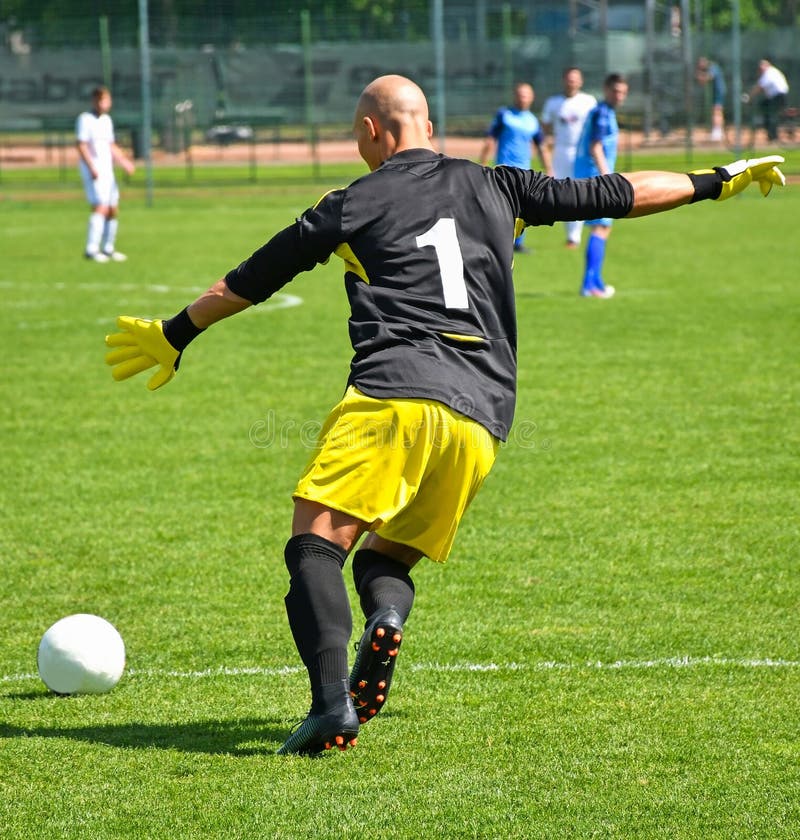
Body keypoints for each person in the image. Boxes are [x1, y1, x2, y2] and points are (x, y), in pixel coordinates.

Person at [104, 74, 784, 757]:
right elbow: (619, 191)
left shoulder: (350, 203)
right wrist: (716, 178)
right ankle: (388, 616)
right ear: (426, 125)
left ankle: (330, 706)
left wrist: (174, 334)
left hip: (392, 395)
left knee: (315, 545)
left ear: (372, 131)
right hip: (482, 418)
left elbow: (250, 279)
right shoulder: (500, 184)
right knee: (383, 559)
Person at [479, 82, 552, 253]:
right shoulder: (504, 115)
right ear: (515, 96)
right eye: (520, 94)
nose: (523, 98)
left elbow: (541, 146)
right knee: (502, 207)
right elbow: (490, 140)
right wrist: (482, 163)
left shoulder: (533, 121)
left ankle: (517, 243)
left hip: (524, 172)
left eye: (526, 95)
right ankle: (498, 241)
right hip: (504, 169)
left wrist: (549, 168)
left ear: (532, 98)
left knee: (521, 208)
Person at [574, 73, 629, 298]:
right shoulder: (603, 113)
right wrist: (608, 178)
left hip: (593, 175)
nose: (620, 96)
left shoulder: (604, 112)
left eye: (623, 92)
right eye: (616, 91)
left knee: (603, 228)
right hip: (597, 178)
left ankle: (595, 281)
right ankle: (590, 285)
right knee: (600, 227)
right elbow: (595, 147)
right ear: (606, 89)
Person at [76, 86, 135, 263]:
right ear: (95, 101)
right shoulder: (85, 119)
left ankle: (108, 248)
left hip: (107, 171)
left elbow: (110, 145)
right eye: (102, 100)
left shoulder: (106, 120)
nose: (105, 104)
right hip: (94, 171)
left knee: (112, 208)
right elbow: (81, 145)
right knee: (100, 207)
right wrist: (91, 167)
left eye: (107, 100)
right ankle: (91, 249)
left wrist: (124, 161)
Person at [541, 67, 597, 248]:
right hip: (561, 152)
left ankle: (575, 236)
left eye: (575, 79)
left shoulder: (588, 101)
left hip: (581, 152)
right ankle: (570, 233)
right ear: (563, 80)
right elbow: (546, 131)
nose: (571, 82)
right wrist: (547, 154)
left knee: (580, 190)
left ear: (580, 81)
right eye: (569, 78)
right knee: (562, 192)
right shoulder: (553, 103)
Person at [746, 58, 789, 143]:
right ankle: (771, 134)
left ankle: (773, 136)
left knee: (769, 114)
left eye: (762, 68)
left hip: (779, 96)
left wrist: (749, 97)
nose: (760, 70)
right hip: (778, 96)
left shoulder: (769, 73)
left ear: (767, 66)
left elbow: (759, 87)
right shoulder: (772, 72)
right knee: (767, 110)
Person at [695, 57, 727, 142]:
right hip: (717, 92)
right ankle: (719, 132)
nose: (701, 66)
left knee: (717, 111)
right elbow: (704, 81)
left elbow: (709, 77)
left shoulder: (713, 67)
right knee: (718, 112)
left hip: (719, 92)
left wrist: (701, 76)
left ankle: (717, 133)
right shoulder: (710, 68)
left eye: (701, 64)